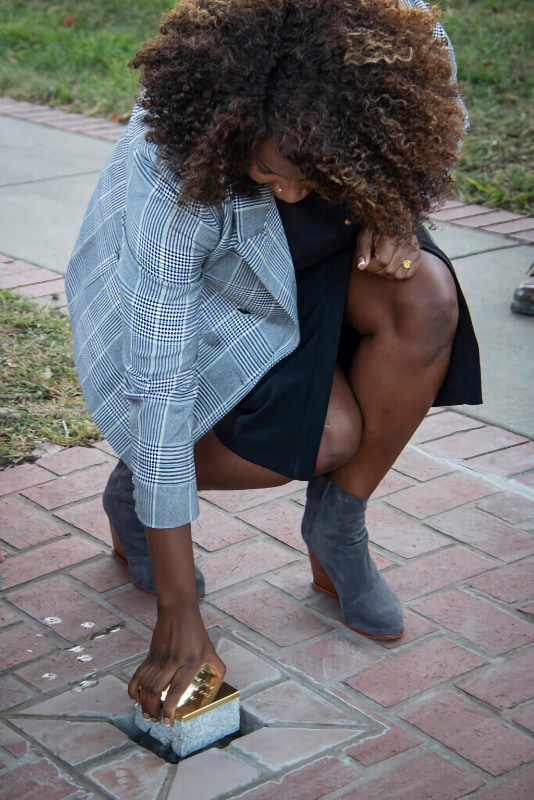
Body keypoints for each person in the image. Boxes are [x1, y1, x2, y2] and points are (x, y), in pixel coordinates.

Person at [66, 0, 481, 726]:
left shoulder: (396, 39)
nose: (288, 189)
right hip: (224, 284)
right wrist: (178, 606)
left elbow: (436, 123)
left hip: (334, 239)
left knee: (426, 301)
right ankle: (136, 491)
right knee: (324, 435)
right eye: (270, 169)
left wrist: (394, 205)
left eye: (308, 174)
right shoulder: (175, 172)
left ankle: (338, 525)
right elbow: (157, 383)